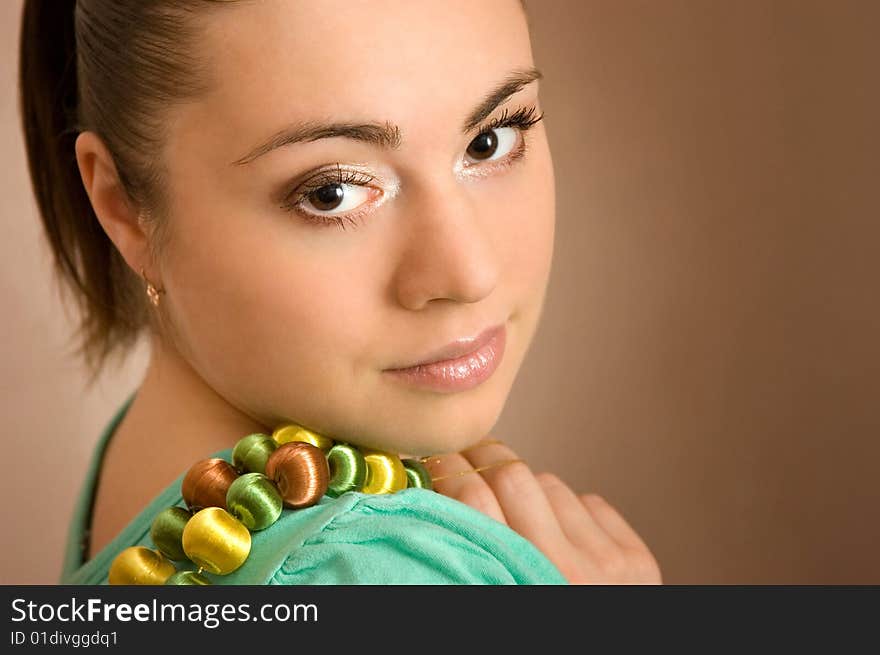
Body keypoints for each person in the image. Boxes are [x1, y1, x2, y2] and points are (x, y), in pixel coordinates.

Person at [20, 0, 662, 585]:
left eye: (491, 140)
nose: (469, 273)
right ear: (123, 208)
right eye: (332, 192)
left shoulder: (169, 481)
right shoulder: (380, 573)